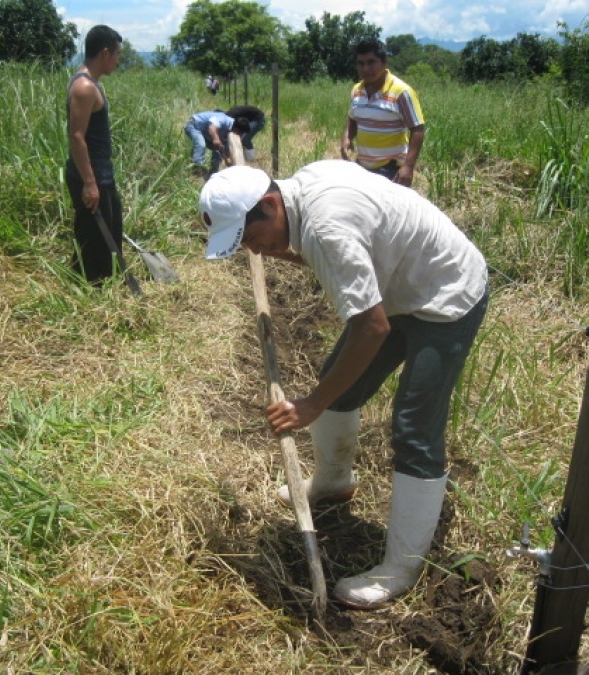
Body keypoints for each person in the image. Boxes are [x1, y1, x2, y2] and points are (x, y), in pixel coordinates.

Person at [199, 161, 489, 610]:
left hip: (445, 293)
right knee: (341, 379)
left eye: (254, 239)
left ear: (270, 204)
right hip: (400, 284)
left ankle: (403, 566)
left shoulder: (324, 226)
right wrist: (286, 251)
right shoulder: (303, 192)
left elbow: (371, 328)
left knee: (414, 426)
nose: (257, 252)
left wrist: (312, 405)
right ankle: (334, 481)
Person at [65, 25, 125, 284]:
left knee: (109, 228)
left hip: (100, 171)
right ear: (104, 53)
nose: (118, 60)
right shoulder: (84, 87)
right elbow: (76, 135)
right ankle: (91, 287)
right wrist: (89, 183)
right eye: (116, 54)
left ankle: (104, 282)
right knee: (96, 235)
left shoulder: (91, 83)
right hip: (91, 172)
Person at [341, 39, 426, 188]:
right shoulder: (357, 90)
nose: (366, 68)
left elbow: (417, 129)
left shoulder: (401, 92)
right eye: (360, 63)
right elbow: (352, 117)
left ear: (384, 62)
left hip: (391, 170)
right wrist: (346, 138)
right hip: (362, 168)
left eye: (371, 62)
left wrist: (408, 167)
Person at [184, 111, 250, 178]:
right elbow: (211, 127)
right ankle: (197, 170)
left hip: (205, 133)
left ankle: (213, 172)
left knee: (218, 151)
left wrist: (227, 159)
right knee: (201, 144)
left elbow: (224, 146)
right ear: (237, 129)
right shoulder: (223, 120)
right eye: (240, 133)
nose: (240, 136)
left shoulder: (231, 130)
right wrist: (216, 138)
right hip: (194, 126)